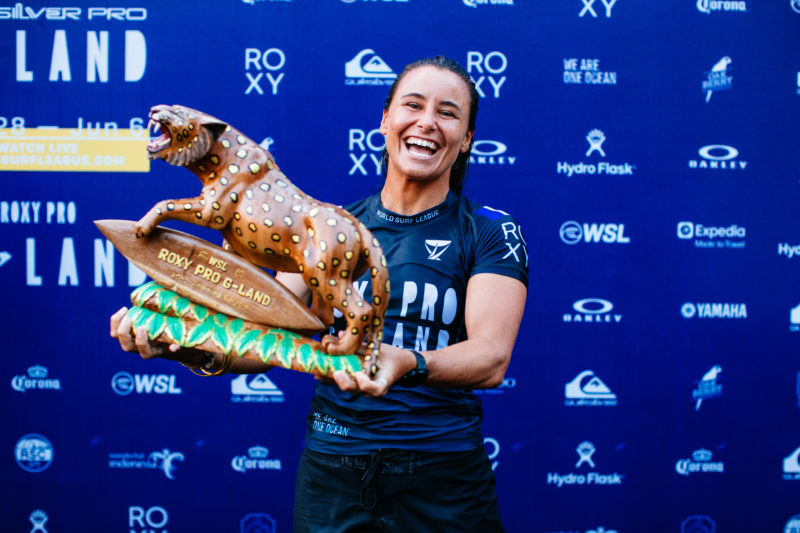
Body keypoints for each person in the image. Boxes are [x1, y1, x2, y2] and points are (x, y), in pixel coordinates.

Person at [111, 55, 528, 533]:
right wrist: (181, 343)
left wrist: (404, 362)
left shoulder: (490, 231)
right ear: (386, 120)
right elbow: (265, 336)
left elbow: (491, 359)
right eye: (412, 105)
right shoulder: (334, 223)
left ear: (468, 138)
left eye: (448, 113)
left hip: (444, 474)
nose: (427, 122)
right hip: (335, 471)